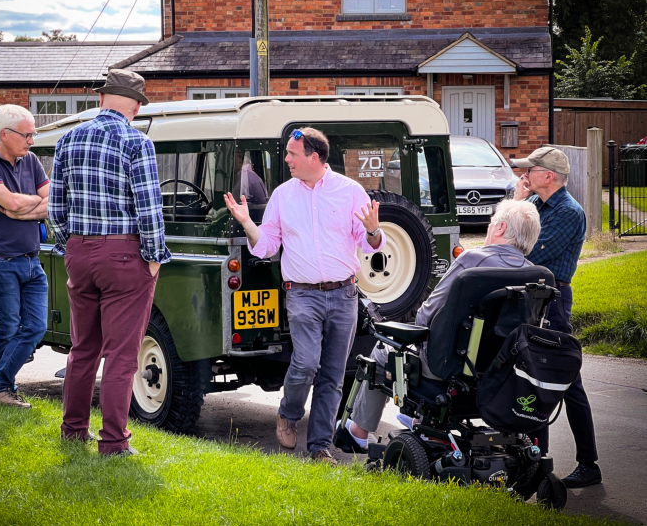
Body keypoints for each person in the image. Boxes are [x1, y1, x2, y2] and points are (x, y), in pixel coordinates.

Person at [224, 127, 386, 465]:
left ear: (314, 157)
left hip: (344, 294)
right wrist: (247, 223)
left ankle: (319, 447)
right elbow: (267, 245)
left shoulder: (350, 191)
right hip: (302, 295)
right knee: (306, 362)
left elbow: (371, 244)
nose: (287, 160)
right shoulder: (283, 195)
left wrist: (373, 229)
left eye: (292, 154)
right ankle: (288, 412)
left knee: (332, 374)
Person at [342, 199, 542, 450]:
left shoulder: (474, 262)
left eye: (491, 223)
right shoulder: (536, 274)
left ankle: (358, 432)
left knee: (384, 350)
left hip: (451, 369)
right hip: (502, 373)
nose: (490, 228)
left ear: (500, 228)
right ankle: (417, 419)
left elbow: (427, 314)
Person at [48, 69, 171, 457]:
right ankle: (114, 442)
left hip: (79, 253)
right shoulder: (136, 142)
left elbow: (54, 209)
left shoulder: (67, 139)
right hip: (124, 254)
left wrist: (72, 245)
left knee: (83, 348)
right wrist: (154, 257)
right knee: (121, 353)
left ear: (102, 99)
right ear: (135, 106)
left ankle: (73, 432)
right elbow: (150, 210)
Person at [512, 146, 602, 488]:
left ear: (547, 176)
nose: (524, 175)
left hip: (553, 299)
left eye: (530, 170)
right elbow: (504, 234)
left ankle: (588, 464)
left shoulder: (568, 212)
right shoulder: (534, 204)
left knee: (566, 380)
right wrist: (519, 201)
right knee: (529, 376)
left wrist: (516, 219)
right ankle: (536, 459)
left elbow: (526, 251)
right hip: (529, 296)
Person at [0, 104, 50, 409]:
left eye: (33, 133)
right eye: (27, 134)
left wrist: (22, 210)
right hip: (1, 260)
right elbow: (10, 203)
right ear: (5, 134)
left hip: (32, 260)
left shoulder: (30, 161)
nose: (32, 140)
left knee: (35, 328)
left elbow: (53, 200)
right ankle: (3, 391)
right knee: (7, 329)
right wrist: (30, 206)